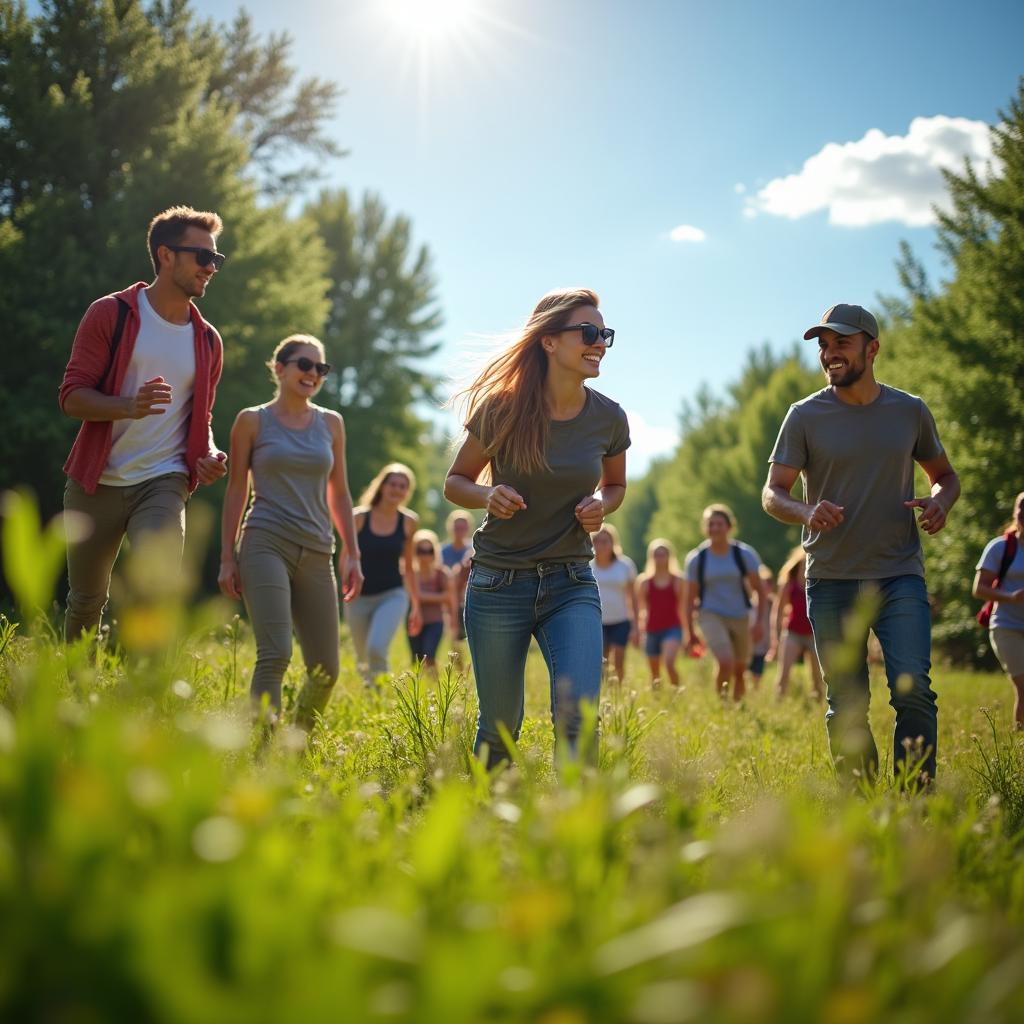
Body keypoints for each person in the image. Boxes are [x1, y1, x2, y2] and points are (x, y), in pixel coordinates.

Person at [763, 303, 959, 785]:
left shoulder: (910, 411)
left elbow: (946, 478)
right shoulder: (804, 416)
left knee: (913, 691)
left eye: (841, 343)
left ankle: (916, 800)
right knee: (846, 701)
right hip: (831, 578)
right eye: (824, 346)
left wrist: (941, 503)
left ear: (872, 348)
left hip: (899, 573)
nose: (830, 354)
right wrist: (807, 511)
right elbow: (773, 493)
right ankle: (865, 805)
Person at [444, 287, 629, 769]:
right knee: (499, 728)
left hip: (571, 581)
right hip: (498, 582)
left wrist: (601, 507)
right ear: (548, 341)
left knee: (577, 716)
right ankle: (492, 828)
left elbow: (615, 486)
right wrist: (487, 495)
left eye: (604, 333)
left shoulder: (608, 417)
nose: (600, 342)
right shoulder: (501, 408)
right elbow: (455, 482)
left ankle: (575, 830)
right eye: (588, 332)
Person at [60, 206, 229, 642]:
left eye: (216, 259)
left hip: (164, 479)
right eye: (202, 257)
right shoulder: (111, 313)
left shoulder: (208, 340)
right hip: (98, 480)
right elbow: (72, 397)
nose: (211, 268)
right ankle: (76, 692)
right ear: (166, 255)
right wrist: (128, 406)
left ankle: (143, 698)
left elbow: (200, 418)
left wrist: (207, 453)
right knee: (86, 600)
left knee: (157, 592)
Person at [218, 335, 363, 730]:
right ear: (279, 368)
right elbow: (236, 491)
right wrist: (227, 557)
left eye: (321, 368)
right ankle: (264, 758)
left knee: (326, 671)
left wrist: (352, 552)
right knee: (276, 653)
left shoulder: (332, 423)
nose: (313, 374)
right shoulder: (252, 420)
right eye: (304, 365)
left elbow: (340, 492)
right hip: (265, 541)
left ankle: (295, 743)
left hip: (318, 550)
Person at [346, 464, 422, 686]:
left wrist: (416, 606)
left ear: (407, 492)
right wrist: (344, 587)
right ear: (382, 486)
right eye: (393, 484)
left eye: (402, 486)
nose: (397, 490)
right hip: (358, 595)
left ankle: (383, 696)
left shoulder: (409, 521)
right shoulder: (358, 517)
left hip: (392, 594)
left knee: (376, 648)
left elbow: (409, 565)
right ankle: (371, 701)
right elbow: (346, 559)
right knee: (362, 658)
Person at [682, 505, 769, 701]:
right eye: (710, 524)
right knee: (726, 660)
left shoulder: (745, 554)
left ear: (729, 527)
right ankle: (723, 705)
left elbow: (760, 591)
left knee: (739, 669)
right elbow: (689, 599)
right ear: (705, 528)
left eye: (719, 524)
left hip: (740, 615)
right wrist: (689, 632)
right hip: (709, 614)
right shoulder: (696, 559)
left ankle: (737, 708)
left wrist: (759, 622)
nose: (715, 528)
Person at [973, 492, 1024, 730]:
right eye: (1021, 508)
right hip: (1006, 625)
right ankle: (1020, 743)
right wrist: (1010, 597)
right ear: (1015, 513)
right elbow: (979, 589)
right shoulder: (1000, 548)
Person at [771, 547, 823, 700]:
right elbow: (779, 611)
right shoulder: (790, 583)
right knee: (783, 675)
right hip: (792, 633)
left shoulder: (820, 582)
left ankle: (817, 709)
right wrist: (776, 637)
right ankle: (778, 704)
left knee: (817, 677)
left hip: (814, 634)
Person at [591, 523, 639, 681]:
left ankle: (618, 694)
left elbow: (633, 597)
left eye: (605, 541)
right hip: (597, 621)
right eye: (597, 541)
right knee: (601, 663)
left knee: (618, 662)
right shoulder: (587, 566)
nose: (601, 545)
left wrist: (636, 626)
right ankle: (604, 696)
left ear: (613, 543)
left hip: (621, 620)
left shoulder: (625, 565)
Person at [637, 539, 686, 687]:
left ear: (669, 557)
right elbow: (641, 610)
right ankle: (658, 701)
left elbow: (682, 608)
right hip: (652, 630)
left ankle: (677, 693)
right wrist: (640, 632)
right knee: (654, 674)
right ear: (651, 557)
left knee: (669, 663)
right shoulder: (644, 582)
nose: (660, 558)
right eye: (656, 555)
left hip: (673, 628)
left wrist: (688, 633)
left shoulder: (678, 580)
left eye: (663, 554)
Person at [409, 529, 455, 674]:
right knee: (416, 660)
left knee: (430, 657)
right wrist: (435, 597)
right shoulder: (410, 573)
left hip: (435, 620)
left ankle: (434, 688)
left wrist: (420, 596)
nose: (425, 555)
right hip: (415, 621)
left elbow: (450, 596)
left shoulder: (442, 573)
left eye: (429, 551)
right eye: (421, 551)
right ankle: (420, 691)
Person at [441, 509, 475, 649]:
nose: (459, 531)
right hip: (450, 601)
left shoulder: (474, 548)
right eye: (456, 527)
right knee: (454, 640)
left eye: (463, 527)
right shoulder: (443, 551)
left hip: (470, 598)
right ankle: (459, 668)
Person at [749, 564, 775, 688]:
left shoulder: (773, 604)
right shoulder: (748, 606)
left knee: (757, 676)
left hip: (763, 648)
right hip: (749, 647)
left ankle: (755, 695)